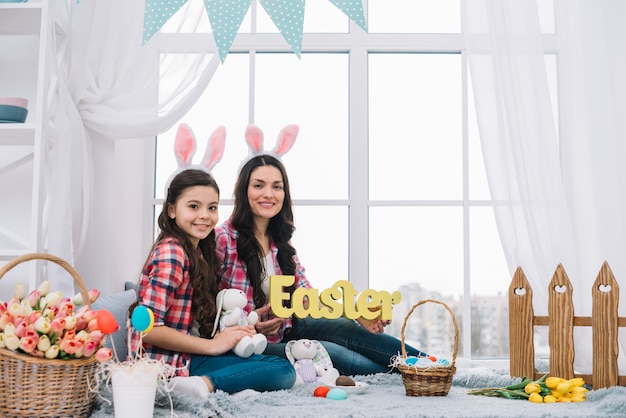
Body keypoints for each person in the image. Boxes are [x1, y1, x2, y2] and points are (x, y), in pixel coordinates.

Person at [215, 154, 428, 376]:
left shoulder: (280, 241)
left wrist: (357, 314)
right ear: (243, 190)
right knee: (331, 353)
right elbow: (208, 307)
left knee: (348, 328)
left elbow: (307, 296)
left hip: (287, 328)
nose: (268, 194)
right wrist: (251, 322)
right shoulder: (222, 239)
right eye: (258, 185)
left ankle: (432, 364)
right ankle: (407, 374)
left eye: (277, 187)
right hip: (250, 343)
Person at [132, 169, 296, 398]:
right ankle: (203, 385)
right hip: (167, 364)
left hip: (189, 357)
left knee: (276, 364)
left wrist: (236, 329)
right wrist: (213, 346)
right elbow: (146, 329)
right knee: (282, 369)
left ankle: (212, 385)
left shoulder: (197, 250)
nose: (205, 215)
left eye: (212, 207)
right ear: (171, 210)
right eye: (193, 207)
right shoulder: (172, 253)